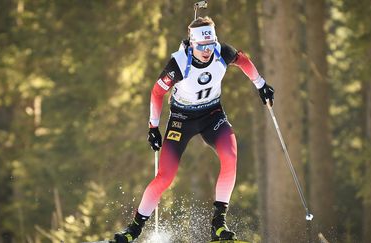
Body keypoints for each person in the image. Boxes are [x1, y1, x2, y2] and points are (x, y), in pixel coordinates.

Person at [114, 16, 274, 243]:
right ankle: (133, 230)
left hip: (212, 115)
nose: (207, 51)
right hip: (182, 119)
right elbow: (157, 92)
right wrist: (153, 126)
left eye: (210, 44)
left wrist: (261, 84)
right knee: (165, 177)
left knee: (230, 157)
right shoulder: (178, 64)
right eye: (201, 46)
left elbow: (243, 60)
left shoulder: (221, 52)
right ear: (192, 44)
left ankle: (218, 224)